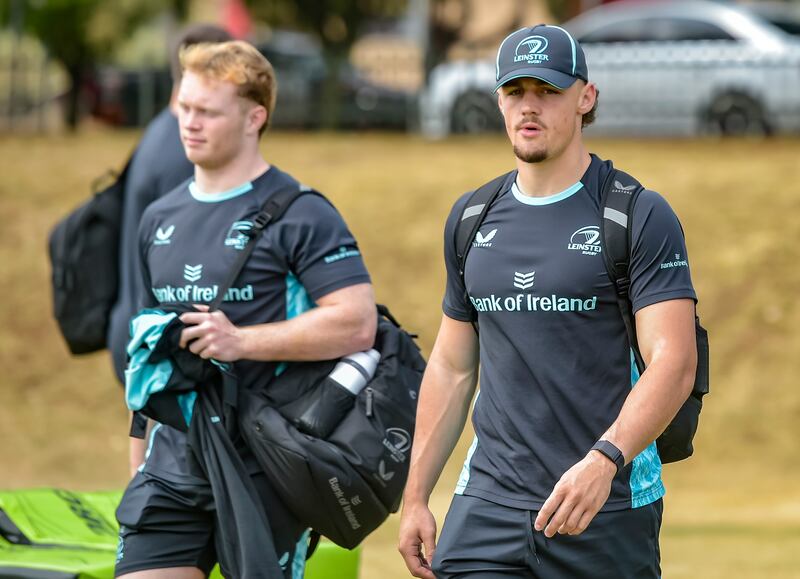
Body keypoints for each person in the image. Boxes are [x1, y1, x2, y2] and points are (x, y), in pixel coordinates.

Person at [398, 24, 698, 579]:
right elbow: (452, 365)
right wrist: (415, 496)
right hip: (488, 504)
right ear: (498, 101)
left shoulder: (635, 214)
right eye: (516, 92)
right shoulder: (471, 218)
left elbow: (674, 363)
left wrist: (605, 461)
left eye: (548, 91)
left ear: (586, 98)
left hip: (604, 504)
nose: (529, 107)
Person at [114, 40, 376, 579]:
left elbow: (356, 321)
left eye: (207, 111)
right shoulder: (158, 217)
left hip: (267, 465)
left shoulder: (303, 214)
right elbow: (150, 352)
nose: (189, 122)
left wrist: (242, 342)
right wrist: (137, 454)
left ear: (255, 117)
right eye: (184, 106)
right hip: (172, 465)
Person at [105, 24, 233, 477]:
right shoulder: (185, 150)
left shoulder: (160, 132)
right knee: (177, 485)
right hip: (162, 337)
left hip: (139, 323)